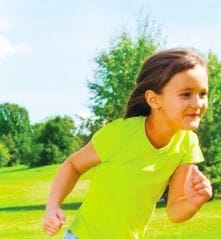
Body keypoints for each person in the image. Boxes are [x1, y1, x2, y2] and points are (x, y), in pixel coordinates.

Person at [42, 48, 213, 238]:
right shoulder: (121, 134)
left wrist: (193, 201)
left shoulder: (187, 143)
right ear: (154, 100)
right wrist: (52, 207)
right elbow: (73, 165)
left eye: (202, 93)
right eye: (186, 94)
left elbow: (174, 211)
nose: (197, 103)